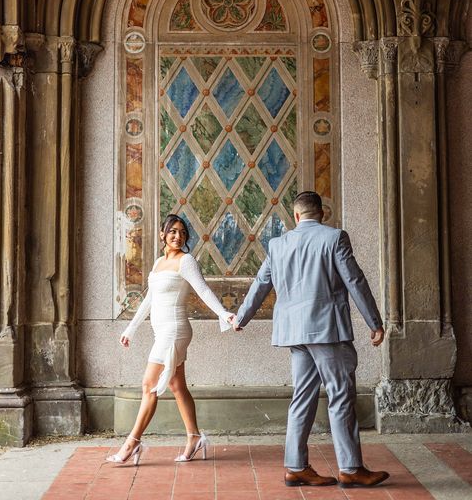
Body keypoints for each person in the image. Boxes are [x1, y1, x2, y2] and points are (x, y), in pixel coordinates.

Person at [233, 191, 390, 488]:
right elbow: (354, 280)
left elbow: (261, 283)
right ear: (322, 213)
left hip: (294, 332)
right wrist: (375, 322)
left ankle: (295, 466)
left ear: (295, 216)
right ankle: (351, 468)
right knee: (341, 395)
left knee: (302, 398)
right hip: (327, 330)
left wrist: (241, 318)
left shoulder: (278, 244)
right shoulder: (334, 238)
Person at [107, 214, 234, 465]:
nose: (178, 236)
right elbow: (149, 300)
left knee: (148, 385)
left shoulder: (186, 261)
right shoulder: (158, 263)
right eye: (173, 231)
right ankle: (195, 438)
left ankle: (132, 443)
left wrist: (224, 314)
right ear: (163, 234)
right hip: (161, 331)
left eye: (183, 232)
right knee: (177, 386)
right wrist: (130, 329)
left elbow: (204, 290)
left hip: (174, 331)